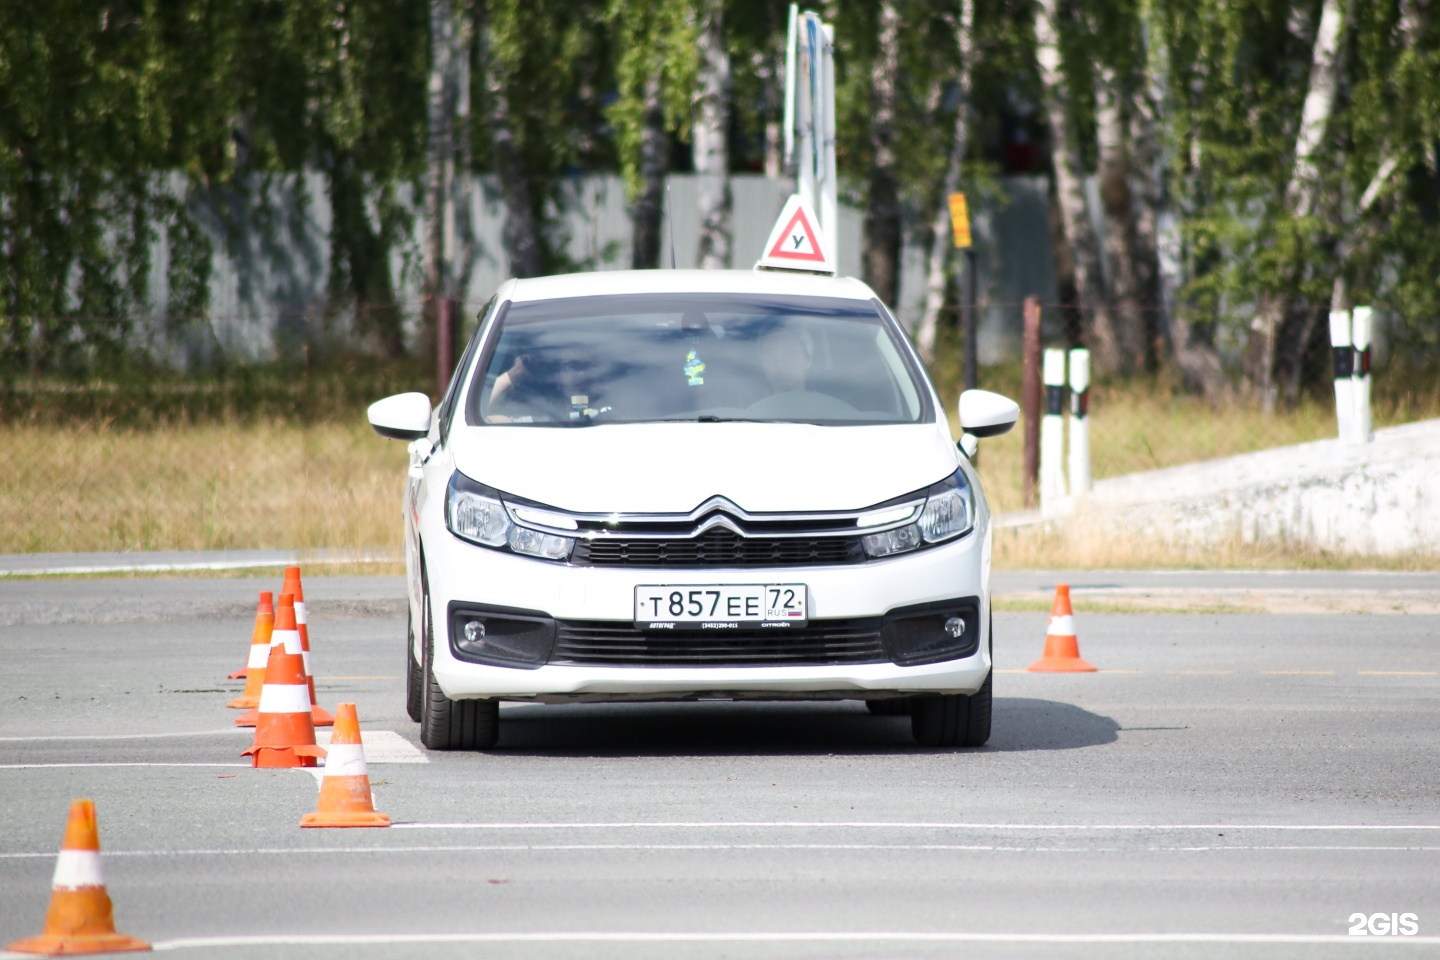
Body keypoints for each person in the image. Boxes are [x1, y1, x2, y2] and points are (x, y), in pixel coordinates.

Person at [486, 349, 607, 423]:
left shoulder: (621, 414)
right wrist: (515, 374)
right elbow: (482, 417)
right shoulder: (541, 423)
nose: (582, 374)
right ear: (557, 378)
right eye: (572, 366)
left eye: (588, 366)